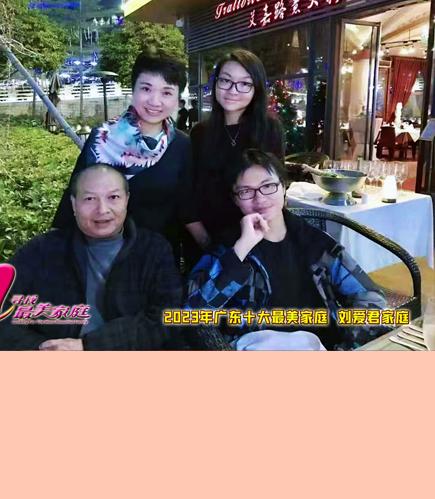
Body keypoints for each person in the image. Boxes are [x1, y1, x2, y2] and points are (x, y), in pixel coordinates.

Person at [186, 150, 387, 351]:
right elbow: (192, 311)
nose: (260, 198)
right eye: (246, 191)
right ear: (235, 198)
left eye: (268, 186)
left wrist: (349, 347)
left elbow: (369, 295)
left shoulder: (314, 241)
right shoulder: (226, 248)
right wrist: (242, 248)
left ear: (283, 186)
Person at [0, 165, 184, 351]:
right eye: (90, 199)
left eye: (113, 197)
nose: (102, 210)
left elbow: (168, 316)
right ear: (73, 204)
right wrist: (41, 349)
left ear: (126, 200)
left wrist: (89, 346)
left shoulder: (154, 249)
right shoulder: (43, 250)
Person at [53, 49, 208, 263]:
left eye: (166, 92)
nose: (155, 101)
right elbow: (74, 199)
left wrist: (212, 250)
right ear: (133, 89)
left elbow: (187, 207)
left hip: (158, 262)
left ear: (177, 98)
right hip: (102, 260)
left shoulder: (181, 145)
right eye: (146, 88)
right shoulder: (102, 139)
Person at [188, 49, 285, 254]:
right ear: (216, 83)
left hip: (258, 238)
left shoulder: (269, 129)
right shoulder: (200, 133)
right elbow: (189, 193)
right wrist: (205, 242)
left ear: (256, 89)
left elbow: (275, 189)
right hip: (209, 240)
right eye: (226, 81)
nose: (233, 90)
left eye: (244, 84)